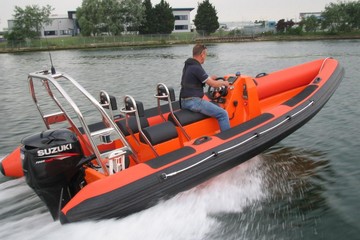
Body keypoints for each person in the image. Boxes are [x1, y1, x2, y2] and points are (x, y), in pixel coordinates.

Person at [180, 44, 231, 132]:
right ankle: (227, 137)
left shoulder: (189, 65)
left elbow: (198, 81)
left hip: (184, 101)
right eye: (206, 55)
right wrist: (224, 83)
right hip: (193, 102)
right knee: (223, 114)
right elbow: (213, 84)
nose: (205, 57)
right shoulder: (197, 67)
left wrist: (210, 78)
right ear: (202, 54)